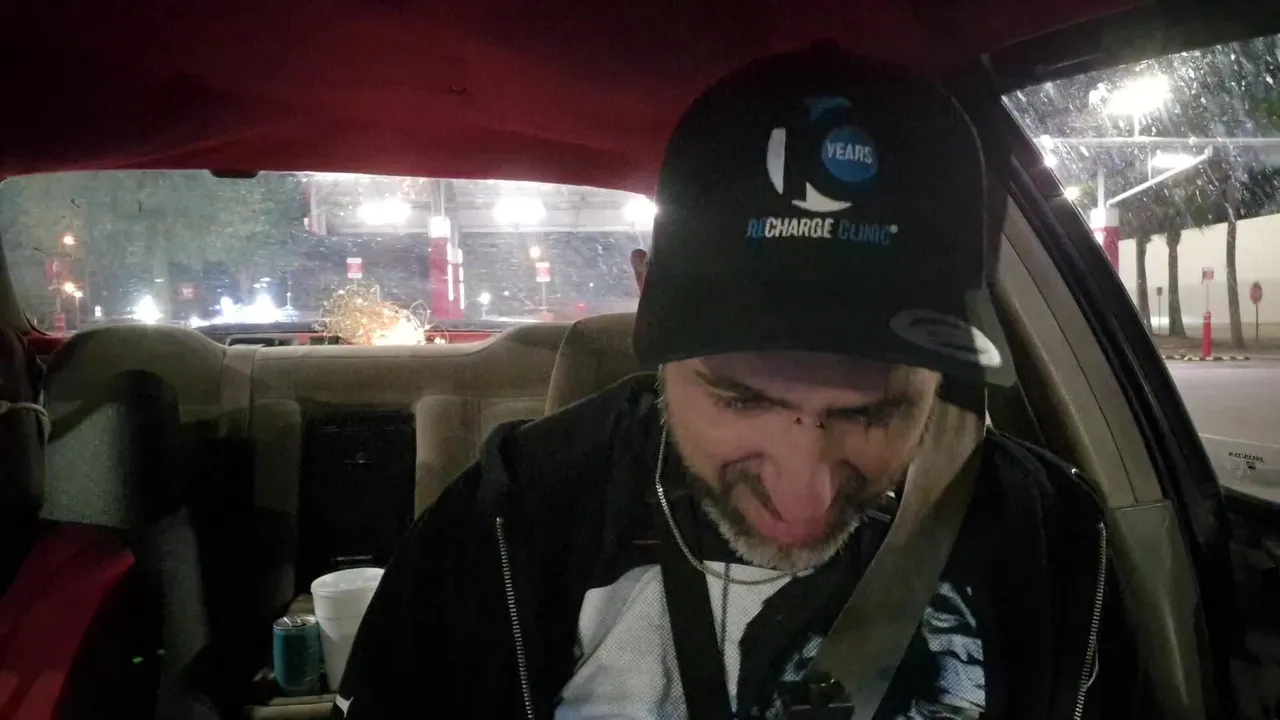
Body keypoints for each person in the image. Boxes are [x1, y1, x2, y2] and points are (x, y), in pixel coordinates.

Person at [332, 42, 1139, 719]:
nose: (804, 497)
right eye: (742, 398)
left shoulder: (1049, 540)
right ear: (648, 300)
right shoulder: (506, 534)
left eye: (875, 411)